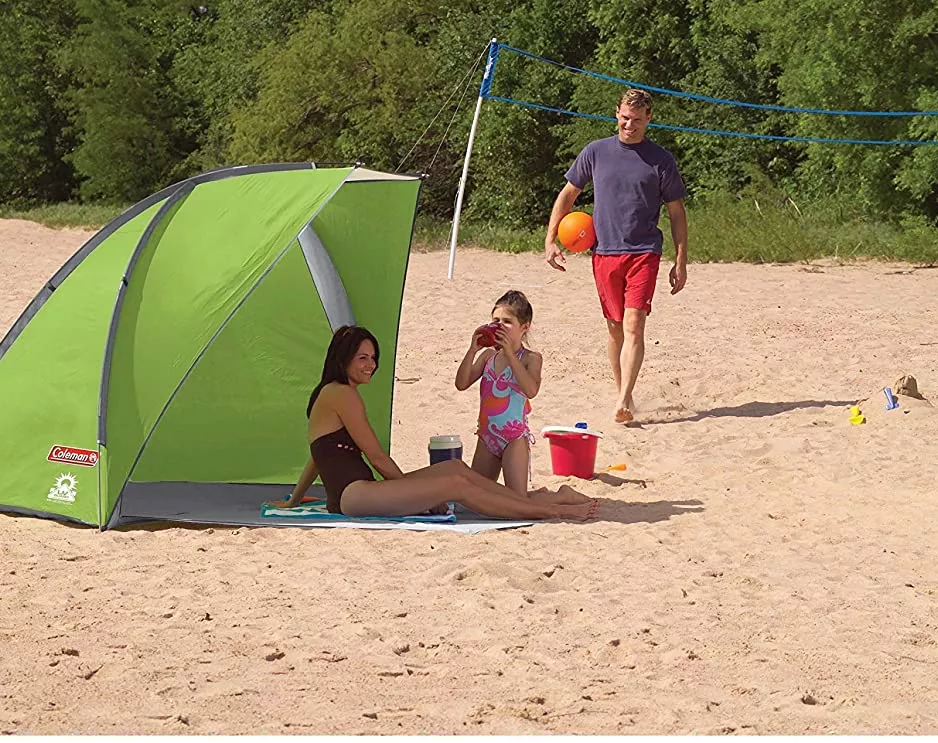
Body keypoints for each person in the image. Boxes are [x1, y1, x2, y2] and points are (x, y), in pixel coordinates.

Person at [267, 326, 598, 521]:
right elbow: (378, 459)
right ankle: (551, 511)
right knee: (456, 485)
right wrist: (422, 500)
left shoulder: (332, 394)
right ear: (342, 360)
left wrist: (295, 499)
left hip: (358, 491)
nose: (371, 365)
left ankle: (551, 499)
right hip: (354, 496)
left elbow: (317, 454)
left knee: (456, 472)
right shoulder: (342, 394)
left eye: (373, 357)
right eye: (362, 358)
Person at [545, 88, 688, 426]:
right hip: (604, 252)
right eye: (625, 118)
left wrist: (680, 260)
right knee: (614, 328)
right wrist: (551, 239)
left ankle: (623, 400)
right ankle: (624, 390)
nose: (629, 124)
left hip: (644, 252)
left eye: (637, 120)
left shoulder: (661, 160)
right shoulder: (595, 152)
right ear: (616, 114)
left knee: (635, 324)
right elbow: (568, 195)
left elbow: (677, 212)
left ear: (648, 119)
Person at [455, 290, 539, 496]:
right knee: (478, 496)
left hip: (514, 438)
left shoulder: (530, 358)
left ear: (524, 327)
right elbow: (461, 383)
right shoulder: (488, 356)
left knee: (517, 499)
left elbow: (531, 390)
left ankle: (562, 496)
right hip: (487, 436)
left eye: (507, 322)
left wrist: (510, 354)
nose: (500, 326)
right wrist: (472, 350)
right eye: (495, 320)